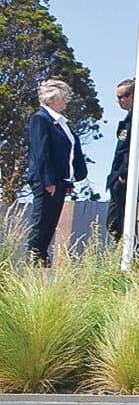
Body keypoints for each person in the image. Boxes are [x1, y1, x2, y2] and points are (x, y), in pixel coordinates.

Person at [24, 79, 87, 268]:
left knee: (50, 223)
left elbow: (66, 155)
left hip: (60, 181)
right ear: (53, 99)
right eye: (64, 97)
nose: (67, 102)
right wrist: (48, 181)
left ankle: (41, 261)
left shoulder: (62, 123)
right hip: (47, 181)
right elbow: (41, 152)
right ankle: (33, 260)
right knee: (41, 222)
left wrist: (67, 182)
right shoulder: (41, 119)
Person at [105, 79, 139, 248]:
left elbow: (134, 149)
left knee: (120, 225)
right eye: (117, 97)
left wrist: (124, 174)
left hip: (126, 179)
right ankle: (134, 260)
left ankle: (138, 261)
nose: (119, 101)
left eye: (122, 96)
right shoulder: (133, 116)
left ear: (133, 95)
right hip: (121, 178)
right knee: (115, 224)